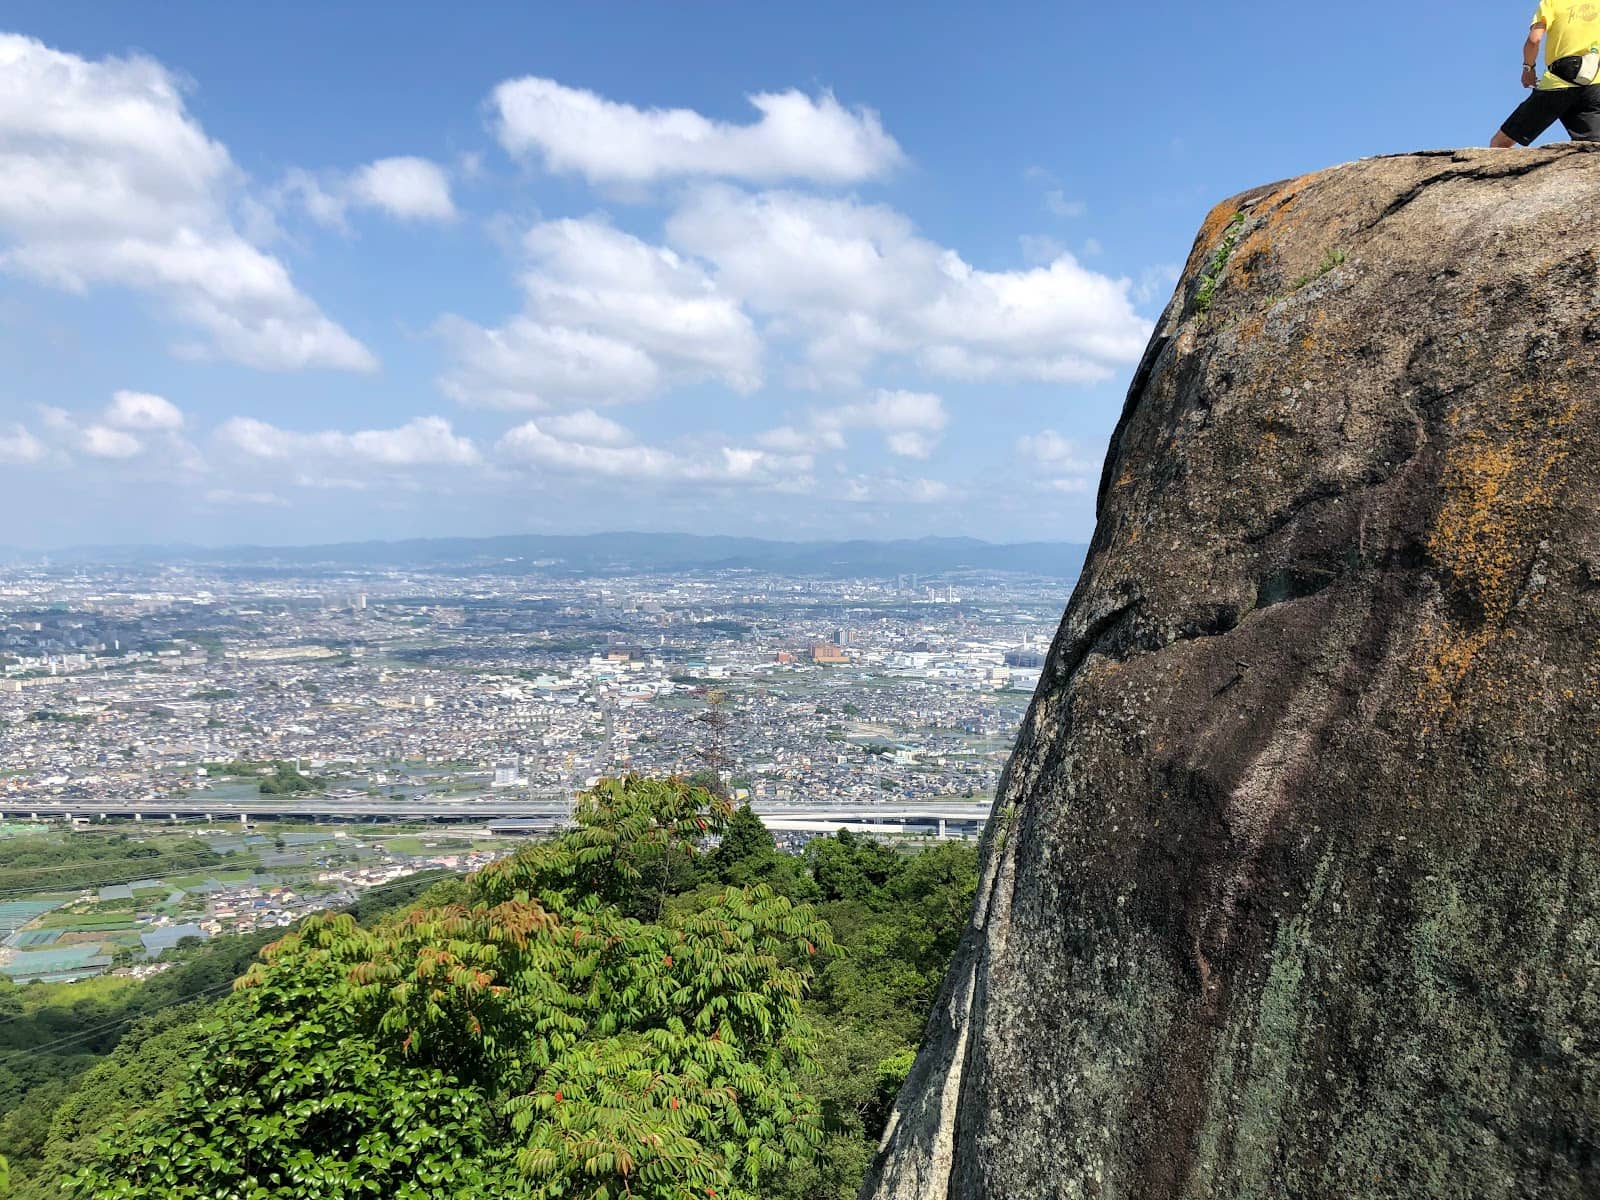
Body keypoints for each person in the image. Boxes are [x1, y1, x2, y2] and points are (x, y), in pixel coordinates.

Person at [1492, 2, 1600, 146]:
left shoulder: (1551, 2)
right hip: (1594, 83)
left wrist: (1528, 69)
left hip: (1559, 80)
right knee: (1593, 148)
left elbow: (1534, 40)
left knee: (1499, 144)